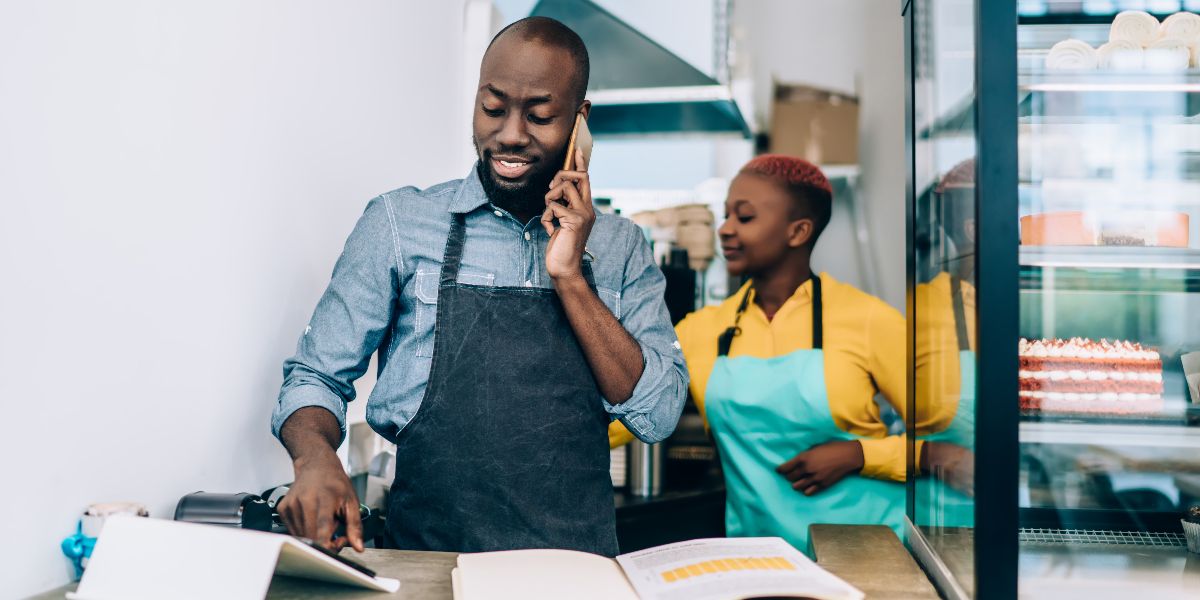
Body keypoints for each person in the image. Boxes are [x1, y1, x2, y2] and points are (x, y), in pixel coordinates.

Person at [271, 17, 687, 558]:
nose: (511, 134)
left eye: (539, 116)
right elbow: (315, 375)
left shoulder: (621, 248)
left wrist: (570, 277)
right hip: (430, 561)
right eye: (493, 108)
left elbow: (657, 416)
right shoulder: (400, 224)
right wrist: (316, 461)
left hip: (575, 574)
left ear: (580, 122)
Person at [610, 155, 909, 554]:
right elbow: (623, 418)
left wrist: (860, 453)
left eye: (744, 218)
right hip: (762, 556)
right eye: (726, 215)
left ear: (798, 231)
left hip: (871, 554)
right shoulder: (701, 331)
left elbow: (949, 445)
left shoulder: (869, 319)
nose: (725, 229)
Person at [914, 158, 978, 528]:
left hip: (1029, 513)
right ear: (973, 228)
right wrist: (935, 455)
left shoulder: (1034, 302)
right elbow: (865, 432)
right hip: (942, 523)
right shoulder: (926, 309)